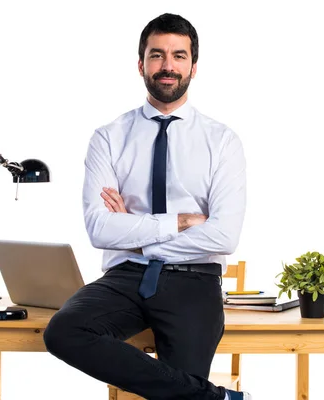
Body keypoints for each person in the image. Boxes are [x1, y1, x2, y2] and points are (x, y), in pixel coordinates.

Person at [44, 13, 250, 400]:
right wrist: (184, 221)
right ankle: (218, 399)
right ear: (141, 64)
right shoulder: (109, 138)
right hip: (125, 278)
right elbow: (100, 229)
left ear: (193, 66)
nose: (167, 66)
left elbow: (225, 234)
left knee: (176, 386)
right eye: (157, 55)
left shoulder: (222, 142)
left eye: (178, 56)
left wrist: (135, 232)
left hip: (194, 281)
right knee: (63, 331)